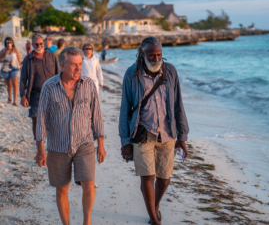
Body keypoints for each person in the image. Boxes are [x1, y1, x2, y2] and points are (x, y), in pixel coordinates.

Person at [119, 37, 189, 225]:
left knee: (164, 178)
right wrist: (125, 141)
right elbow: (125, 108)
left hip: (167, 133)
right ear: (142, 54)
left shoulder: (170, 71)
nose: (156, 58)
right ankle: (153, 219)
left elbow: (178, 104)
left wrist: (182, 136)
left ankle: (155, 206)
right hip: (143, 133)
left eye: (159, 54)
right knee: (147, 176)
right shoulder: (131, 74)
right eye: (152, 55)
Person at [35, 47, 106, 225]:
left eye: (80, 64)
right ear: (62, 65)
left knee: (89, 185)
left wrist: (101, 144)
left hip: (85, 143)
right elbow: (42, 118)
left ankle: (86, 222)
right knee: (62, 189)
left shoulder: (89, 84)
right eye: (73, 65)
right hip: (58, 146)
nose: (77, 68)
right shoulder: (49, 87)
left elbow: (96, 115)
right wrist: (40, 150)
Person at [20, 33, 59, 140]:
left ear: (44, 43)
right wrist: (23, 96)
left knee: (52, 120)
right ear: (32, 45)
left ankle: (51, 144)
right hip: (35, 94)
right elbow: (23, 79)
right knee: (36, 119)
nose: (39, 46)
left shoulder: (51, 56)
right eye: (36, 44)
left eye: (41, 44)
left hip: (52, 93)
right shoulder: (27, 59)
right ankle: (39, 144)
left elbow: (58, 74)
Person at [0, 37, 21, 106]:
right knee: (9, 85)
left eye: (10, 42)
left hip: (14, 68)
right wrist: (4, 60)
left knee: (15, 83)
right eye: (7, 42)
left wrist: (20, 66)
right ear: (5, 43)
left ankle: (15, 101)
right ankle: (9, 98)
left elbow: (19, 60)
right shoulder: (3, 51)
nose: (9, 44)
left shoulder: (15, 50)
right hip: (5, 69)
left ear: (12, 43)